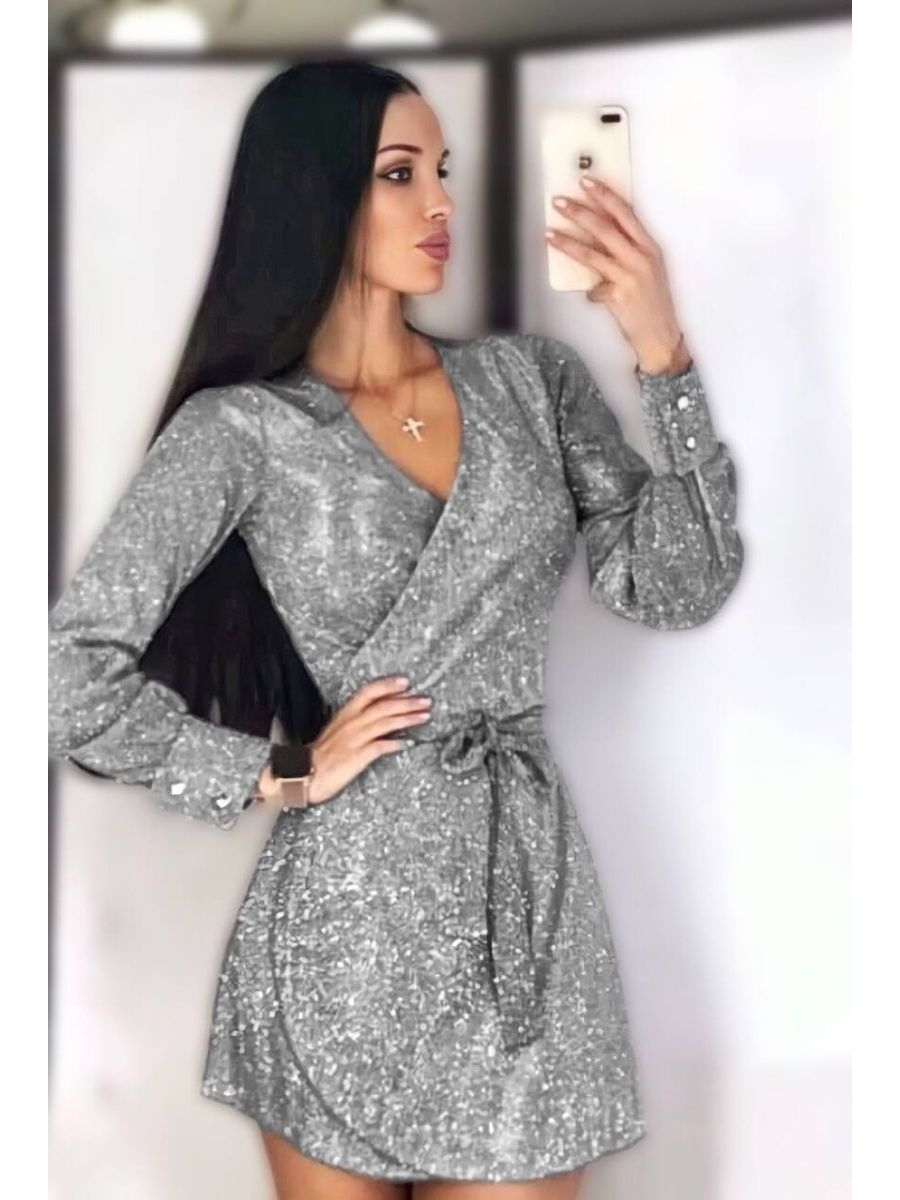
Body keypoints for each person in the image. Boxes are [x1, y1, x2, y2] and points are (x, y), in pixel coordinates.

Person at [48, 58, 744, 1200]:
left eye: (443, 171)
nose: (441, 204)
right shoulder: (242, 431)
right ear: (314, 192)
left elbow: (676, 585)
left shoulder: (531, 383)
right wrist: (280, 771)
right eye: (399, 173)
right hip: (345, 931)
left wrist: (661, 351)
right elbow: (62, 679)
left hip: (526, 917)